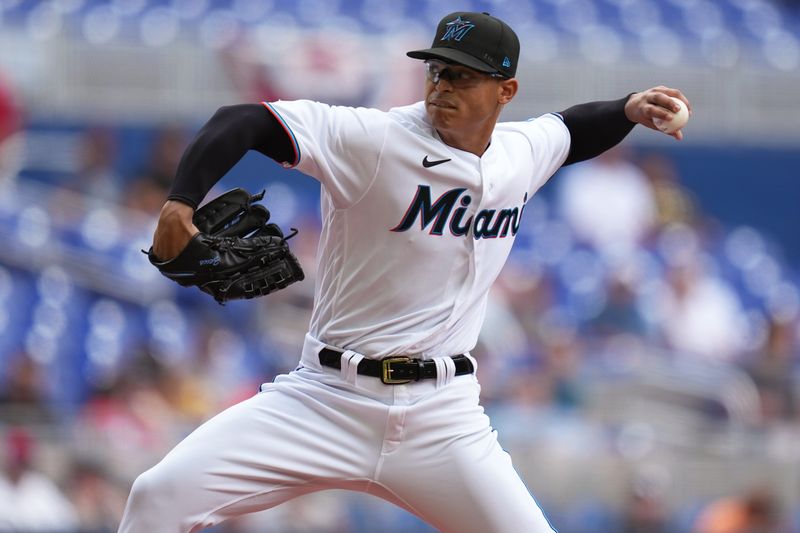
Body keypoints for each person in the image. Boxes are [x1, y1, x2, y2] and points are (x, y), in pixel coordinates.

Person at [120, 11, 691, 532]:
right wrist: (179, 202)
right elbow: (241, 120)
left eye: (463, 77)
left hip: (442, 419)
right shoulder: (374, 139)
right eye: (437, 71)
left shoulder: (521, 151)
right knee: (157, 497)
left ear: (505, 91)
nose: (442, 87)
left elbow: (572, 130)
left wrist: (630, 108)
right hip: (324, 400)